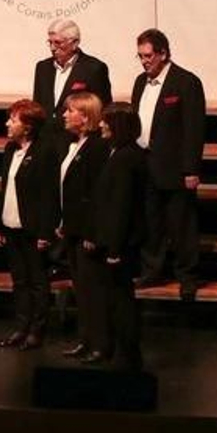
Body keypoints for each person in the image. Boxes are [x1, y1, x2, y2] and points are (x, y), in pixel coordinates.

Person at [131, 28, 207, 301]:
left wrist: (191, 169)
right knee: (150, 222)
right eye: (140, 56)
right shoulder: (140, 82)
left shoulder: (186, 82)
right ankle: (152, 271)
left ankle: (187, 277)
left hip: (175, 167)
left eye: (149, 56)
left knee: (181, 224)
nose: (144, 61)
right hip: (146, 163)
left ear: (163, 53)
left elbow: (194, 130)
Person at [89, 103, 150, 369]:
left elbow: (122, 207)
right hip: (117, 242)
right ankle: (121, 351)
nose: (101, 125)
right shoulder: (118, 153)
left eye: (106, 121)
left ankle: (127, 354)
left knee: (122, 300)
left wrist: (114, 250)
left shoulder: (127, 157)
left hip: (122, 245)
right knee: (115, 299)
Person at [55, 92, 110, 361]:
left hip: (88, 232)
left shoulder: (97, 148)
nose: (65, 115)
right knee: (81, 288)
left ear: (86, 116)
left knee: (93, 290)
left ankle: (100, 343)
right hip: (74, 229)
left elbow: (97, 195)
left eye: (70, 111)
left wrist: (92, 232)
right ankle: (85, 339)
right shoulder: (74, 144)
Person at [0, 100, 53, 350]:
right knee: (19, 280)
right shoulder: (10, 150)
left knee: (38, 282)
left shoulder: (44, 152)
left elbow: (48, 195)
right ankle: (21, 326)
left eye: (13, 120)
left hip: (32, 227)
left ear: (27, 127)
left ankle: (37, 330)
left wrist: (45, 232)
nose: (7, 123)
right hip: (11, 224)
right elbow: (5, 188)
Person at [29, 17, 112, 153]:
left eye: (58, 43)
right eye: (50, 42)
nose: (52, 48)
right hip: (45, 142)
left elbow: (101, 110)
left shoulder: (94, 68)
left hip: (76, 143)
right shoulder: (43, 68)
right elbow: (38, 105)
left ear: (75, 43)